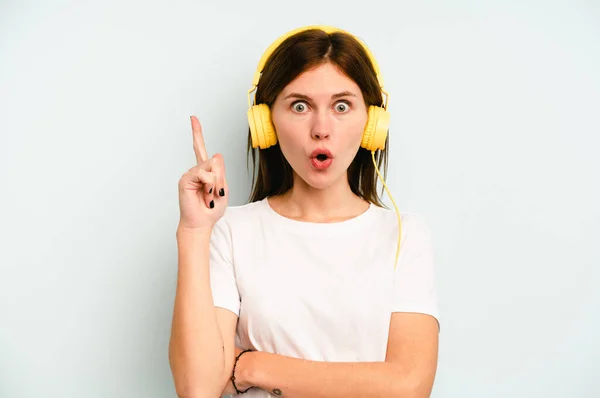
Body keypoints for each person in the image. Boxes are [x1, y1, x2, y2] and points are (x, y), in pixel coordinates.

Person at [169, 26, 440, 398]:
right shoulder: (231, 230)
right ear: (265, 124)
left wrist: (255, 366)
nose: (321, 129)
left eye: (341, 106)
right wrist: (194, 232)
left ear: (371, 124)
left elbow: (409, 387)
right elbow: (198, 388)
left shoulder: (404, 234)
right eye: (300, 106)